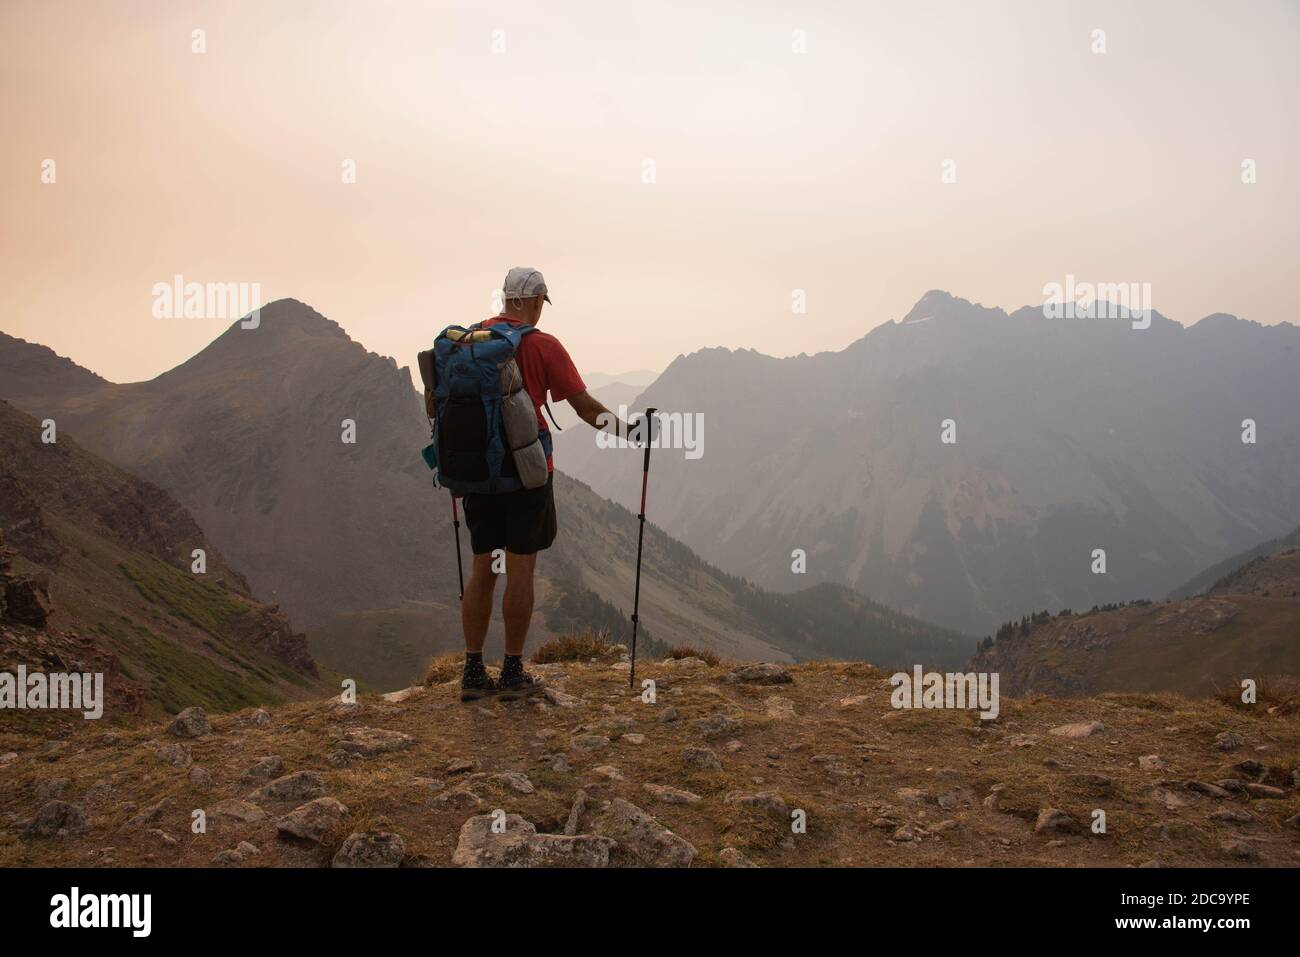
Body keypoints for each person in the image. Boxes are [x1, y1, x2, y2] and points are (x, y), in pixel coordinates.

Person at [459, 267, 635, 701]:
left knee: (483, 569)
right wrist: (631, 432)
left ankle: (473, 670)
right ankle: (514, 671)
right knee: (520, 569)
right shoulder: (543, 346)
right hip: (527, 473)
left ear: (504, 300)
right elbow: (584, 408)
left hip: (477, 473)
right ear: (536, 301)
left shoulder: (467, 343)